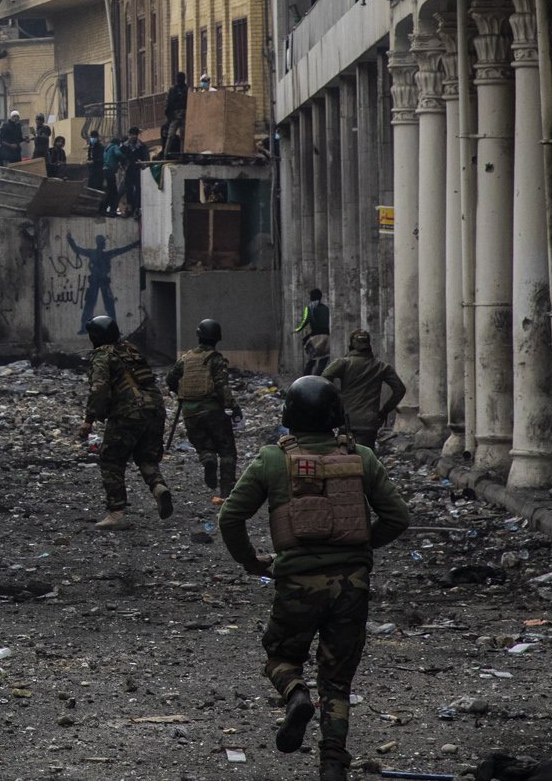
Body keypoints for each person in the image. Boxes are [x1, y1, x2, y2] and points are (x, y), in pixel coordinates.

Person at [217, 374, 411, 781]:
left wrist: (252, 561)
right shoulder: (361, 458)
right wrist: (360, 547)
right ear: (336, 416)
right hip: (351, 586)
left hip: (296, 584)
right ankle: (333, 761)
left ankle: (295, 693)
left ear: (288, 416)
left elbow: (230, 515)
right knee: (337, 679)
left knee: (280, 656)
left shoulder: (272, 459)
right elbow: (398, 517)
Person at [79, 312, 171, 529]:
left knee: (111, 459)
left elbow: (99, 389)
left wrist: (89, 420)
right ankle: (158, 487)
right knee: (146, 456)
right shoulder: (130, 350)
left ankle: (116, 512)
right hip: (155, 408)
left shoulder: (102, 355)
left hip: (129, 412)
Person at [168, 318, 242, 499]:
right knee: (227, 450)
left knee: (203, 445)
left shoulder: (185, 359)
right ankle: (227, 490)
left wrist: (182, 392)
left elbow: (170, 380)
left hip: (189, 413)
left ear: (198, 336)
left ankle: (207, 457)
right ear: (217, 338)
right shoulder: (216, 360)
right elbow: (222, 386)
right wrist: (234, 407)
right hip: (212, 411)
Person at [320, 329, 408, 448]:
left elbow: (323, 379)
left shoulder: (343, 363)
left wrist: (336, 398)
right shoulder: (381, 366)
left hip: (347, 420)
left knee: (345, 458)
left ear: (351, 345)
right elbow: (400, 389)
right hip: (369, 422)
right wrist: (384, 411)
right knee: (366, 459)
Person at [296, 288, 333, 368]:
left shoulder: (309, 308)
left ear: (311, 297)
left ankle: (307, 378)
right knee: (324, 359)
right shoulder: (326, 308)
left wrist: (297, 329)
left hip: (315, 337)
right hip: (326, 336)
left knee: (311, 360)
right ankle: (319, 376)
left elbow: (305, 320)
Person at [162, 70, 191, 158]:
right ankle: (165, 154)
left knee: (183, 136)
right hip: (175, 115)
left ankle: (182, 154)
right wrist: (170, 116)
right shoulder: (173, 89)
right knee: (170, 135)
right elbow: (168, 103)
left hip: (184, 114)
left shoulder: (186, 89)